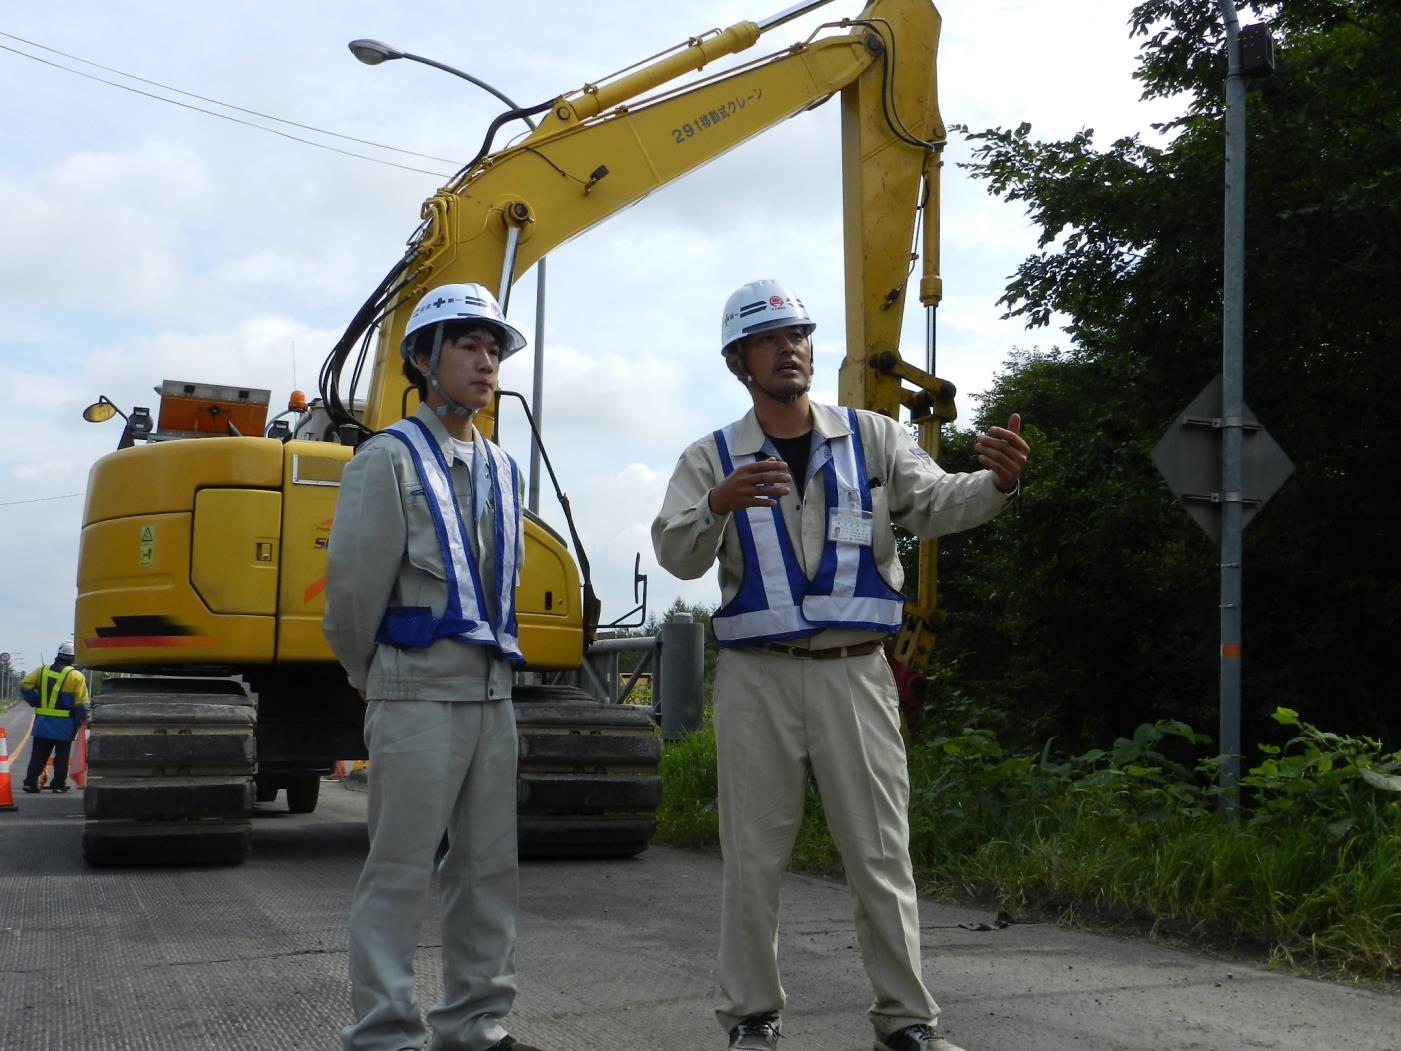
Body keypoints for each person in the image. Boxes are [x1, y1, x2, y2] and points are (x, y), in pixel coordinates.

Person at [652, 280, 1030, 1051]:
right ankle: (751, 1017)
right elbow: (675, 551)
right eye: (767, 339)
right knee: (752, 858)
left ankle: (906, 1022)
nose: (787, 347)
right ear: (737, 361)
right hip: (756, 678)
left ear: (811, 347)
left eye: (796, 334)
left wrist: (999, 482)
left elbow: (934, 503)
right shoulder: (711, 456)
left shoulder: (873, 437)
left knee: (880, 851)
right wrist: (716, 503)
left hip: (856, 671)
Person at [323, 283, 542, 1051]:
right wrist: (374, 674)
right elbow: (351, 596)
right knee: (400, 865)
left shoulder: (503, 469)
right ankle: (386, 1030)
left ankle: (473, 1022)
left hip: (491, 692)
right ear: (422, 358)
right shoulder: (384, 461)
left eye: (494, 349)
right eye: (467, 346)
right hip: (416, 687)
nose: (486, 363)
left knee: (488, 869)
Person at [19, 640, 89, 794]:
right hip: (65, 724)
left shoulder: (42, 671)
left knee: (38, 754)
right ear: (73, 658)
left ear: (58, 654)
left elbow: (24, 685)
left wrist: (34, 701)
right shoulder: (76, 677)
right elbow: (82, 703)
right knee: (62, 756)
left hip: (43, 722)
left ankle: (30, 783)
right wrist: (81, 720)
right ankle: (58, 785)